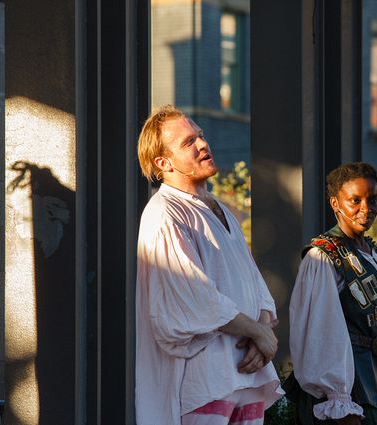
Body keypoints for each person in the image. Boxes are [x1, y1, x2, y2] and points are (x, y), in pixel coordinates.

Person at [135, 105, 283, 425]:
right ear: (164, 162)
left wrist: (262, 330)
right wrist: (259, 333)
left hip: (246, 371)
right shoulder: (164, 213)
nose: (203, 144)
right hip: (204, 379)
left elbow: (252, 281)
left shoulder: (220, 209)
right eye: (189, 142)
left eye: (200, 136)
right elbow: (194, 296)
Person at [288, 163, 377, 425]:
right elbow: (320, 330)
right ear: (335, 203)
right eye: (355, 200)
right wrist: (338, 399)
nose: (367, 208)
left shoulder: (376, 257)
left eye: (373, 200)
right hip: (352, 390)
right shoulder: (322, 256)